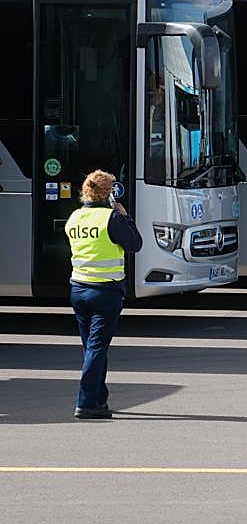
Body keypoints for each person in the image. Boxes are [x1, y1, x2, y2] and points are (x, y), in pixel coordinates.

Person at [65, 170, 143, 419]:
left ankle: (99, 399)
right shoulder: (110, 218)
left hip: (78, 289)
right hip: (105, 292)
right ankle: (86, 403)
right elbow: (135, 244)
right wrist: (126, 217)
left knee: (92, 347)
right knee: (97, 348)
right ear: (109, 193)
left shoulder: (75, 217)